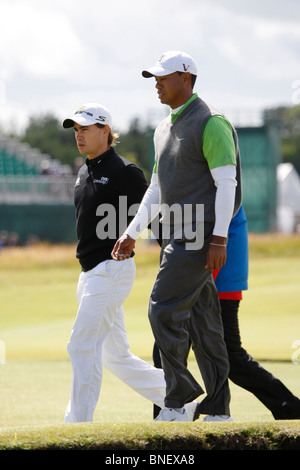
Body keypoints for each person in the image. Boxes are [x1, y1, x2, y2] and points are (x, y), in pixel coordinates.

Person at [112, 51, 242, 421]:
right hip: (175, 235)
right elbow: (156, 186)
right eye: (155, 78)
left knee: (162, 309)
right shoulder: (162, 128)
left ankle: (179, 398)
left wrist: (219, 239)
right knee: (204, 323)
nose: (157, 83)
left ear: (186, 78)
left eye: (164, 77)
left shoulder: (211, 122)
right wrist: (132, 232)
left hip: (198, 237)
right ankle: (218, 409)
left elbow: (226, 183)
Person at [62, 102, 199, 423]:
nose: (79, 136)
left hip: (112, 270)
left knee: (81, 344)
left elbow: (159, 212)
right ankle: (185, 401)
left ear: (105, 131)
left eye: (86, 129)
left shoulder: (125, 172)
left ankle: (77, 424)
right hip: (89, 273)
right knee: (115, 356)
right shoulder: (84, 171)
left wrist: (177, 254)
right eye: (76, 130)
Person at [153, 205, 300, 420]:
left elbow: (217, 232)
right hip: (214, 277)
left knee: (227, 354)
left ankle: (291, 409)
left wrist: (193, 280)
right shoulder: (204, 181)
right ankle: (290, 409)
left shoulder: (215, 183)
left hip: (217, 280)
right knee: (172, 345)